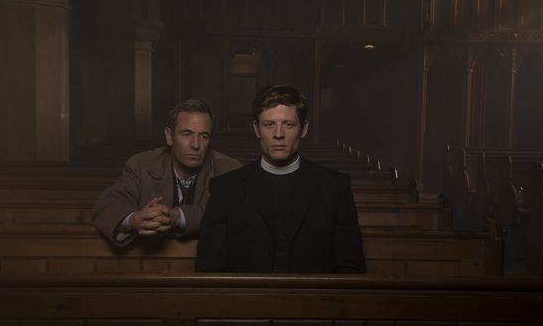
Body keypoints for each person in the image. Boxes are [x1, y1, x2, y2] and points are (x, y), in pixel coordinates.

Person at [195, 84, 366, 273]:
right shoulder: (225, 188)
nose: (278, 134)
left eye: (288, 124)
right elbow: (208, 272)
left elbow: (351, 270)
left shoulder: (335, 187)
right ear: (257, 129)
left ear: (304, 129)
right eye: (269, 125)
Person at [93, 99, 241, 247]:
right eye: (186, 134)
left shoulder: (229, 169)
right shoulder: (140, 165)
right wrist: (134, 219)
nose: (195, 145)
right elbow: (108, 204)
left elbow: (227, 213)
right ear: (169, 136)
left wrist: (177, 217)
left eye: (203, 136)